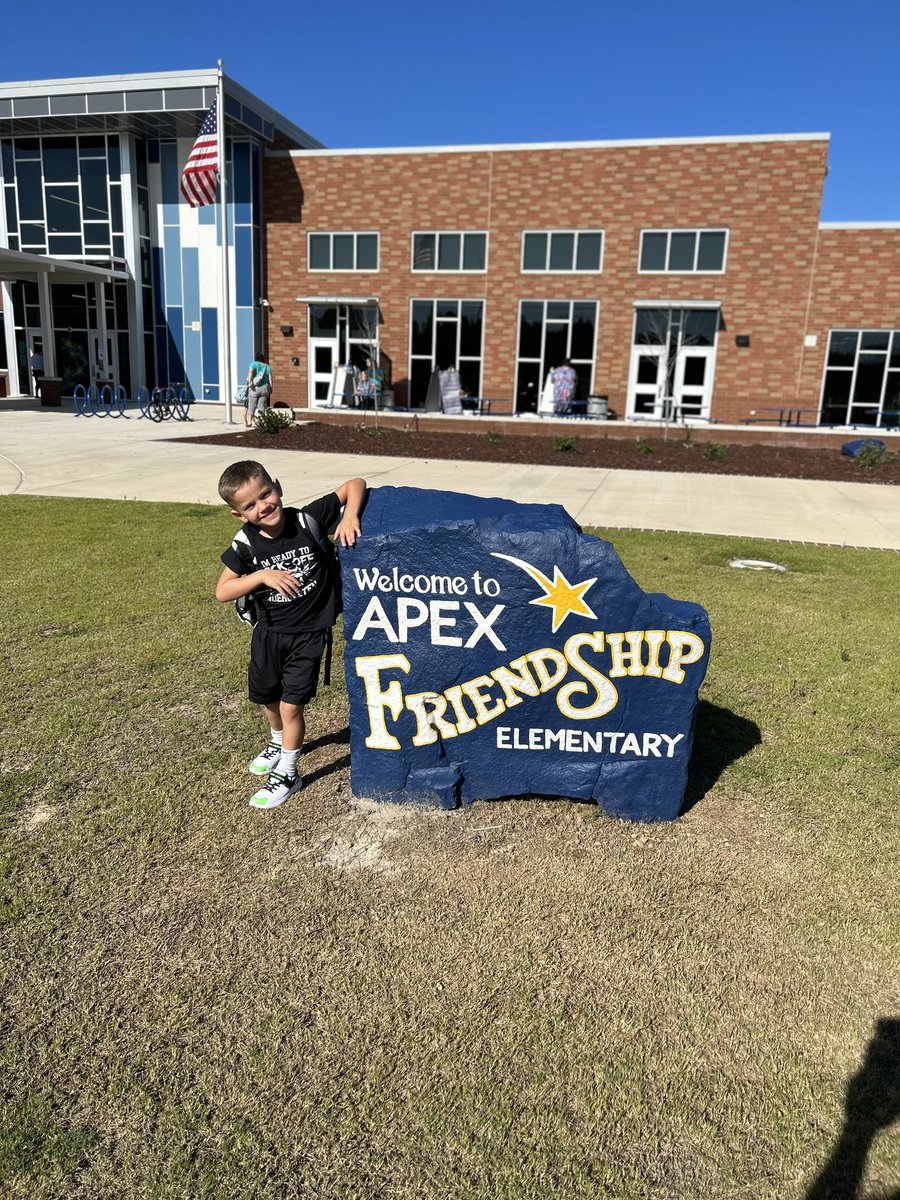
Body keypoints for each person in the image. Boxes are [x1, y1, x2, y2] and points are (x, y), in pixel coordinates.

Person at [215, 461, 366, 810]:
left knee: (290, 704)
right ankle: (277, 741)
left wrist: (348, 516)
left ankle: (288, 772)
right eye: (250, 505)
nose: (263, 506)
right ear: (239, 515)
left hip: (309, 634)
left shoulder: (306, 519)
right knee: (268, 698)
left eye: (265, 494)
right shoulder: (245, 542)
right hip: (268, 633)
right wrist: (261, 576)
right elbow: (223, 590)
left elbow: (354, 483)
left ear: (277, 487)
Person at [245, 353, 273, 427]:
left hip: (255, 388)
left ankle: (249, 422)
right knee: (261, 405)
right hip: (265, 388)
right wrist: (271, 388)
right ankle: (261, 422)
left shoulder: (253, 364)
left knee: (252, 405)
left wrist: (250, 383)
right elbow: (270, 379)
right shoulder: (267, 367)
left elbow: (250, 373)